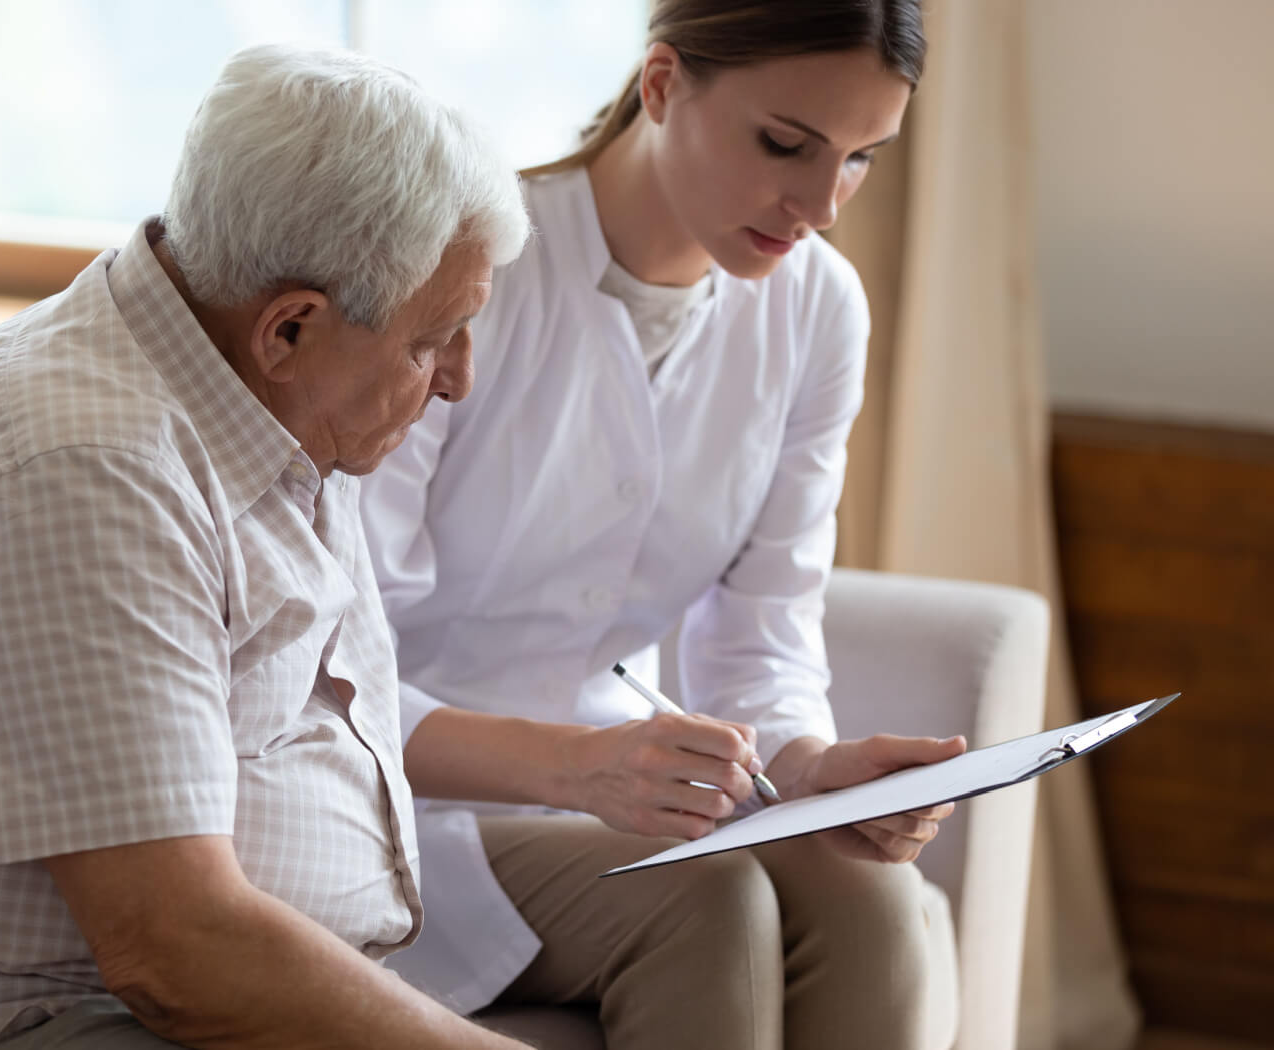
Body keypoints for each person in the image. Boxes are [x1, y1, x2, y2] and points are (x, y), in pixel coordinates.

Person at [0, 45, 533, 1050]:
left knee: (704, 899)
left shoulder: (260, 394)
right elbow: (176, 954)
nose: (456, 379)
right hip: (5, 1020)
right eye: (430, 340)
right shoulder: (78, 466)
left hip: (160, 985)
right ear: (289, 329)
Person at [358, 2, 968, 1047]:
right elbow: (335, 666)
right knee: (713, 901)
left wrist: (811, 769)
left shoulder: (817, 309)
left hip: (623, 794)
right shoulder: (466, 274)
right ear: (659, 85)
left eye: (861, 158)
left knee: (873, 899)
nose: (822, 204)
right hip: (403, 805)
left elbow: (764, 633)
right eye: (786, 144)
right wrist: (575, 767)